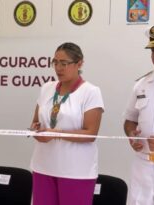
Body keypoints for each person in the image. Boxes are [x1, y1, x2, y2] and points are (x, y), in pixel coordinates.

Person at [29, 42, 104, 205]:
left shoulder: (90, 92)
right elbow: (35, 122)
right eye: (55, 62)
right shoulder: (47, 88)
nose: (58, 68)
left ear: (79, 63)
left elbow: (91, 133)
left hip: (76, 171)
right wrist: (37, 130)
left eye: (64, 63)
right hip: (43, 166)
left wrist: (55, 133)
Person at [124, 25, 154, 205]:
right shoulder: (141, 84)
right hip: (143, 165)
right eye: (153, 51)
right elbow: (130, 120)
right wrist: (132, 135)